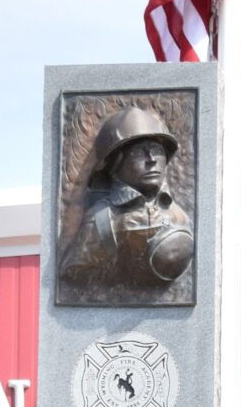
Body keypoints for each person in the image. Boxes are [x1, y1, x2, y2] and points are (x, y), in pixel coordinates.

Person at [59, 106, 194, 295]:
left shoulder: (178, 213)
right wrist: (117, 242)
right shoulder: (100, 219)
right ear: (115, 165)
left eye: (157, 150)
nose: (151, 160)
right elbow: (72, 276)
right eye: (138, 152)